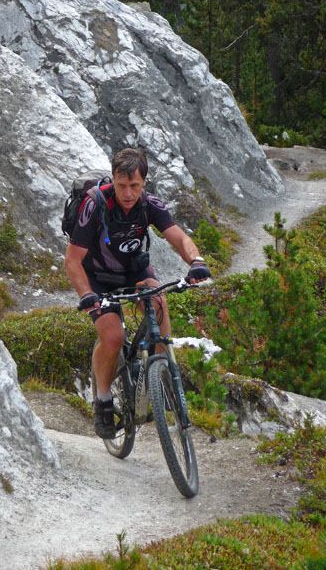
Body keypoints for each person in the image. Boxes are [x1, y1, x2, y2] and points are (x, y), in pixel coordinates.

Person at [64, 148, 210, 439]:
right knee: (113, 335)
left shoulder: (149, 204)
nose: (128, 193)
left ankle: (161, 378)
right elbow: (72, 260)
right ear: (113, 181)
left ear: (144, 182)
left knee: (159, 302)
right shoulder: (95, 205)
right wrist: (85, 295)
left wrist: (196, 261)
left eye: (134, 185)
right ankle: (103, 401)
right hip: (97, 277)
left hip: (133, 270)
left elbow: (178, 237)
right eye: (121, 185)